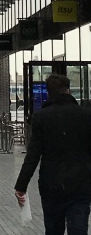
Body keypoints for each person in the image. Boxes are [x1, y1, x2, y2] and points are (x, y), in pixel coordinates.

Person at [14, 74, 91, 235]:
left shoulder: (41, 117)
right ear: (69, 90)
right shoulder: (86, 115)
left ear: (49, 93)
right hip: (81, 184)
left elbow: (33, 155)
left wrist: (21, 185)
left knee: (53, 230)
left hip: (51, 185)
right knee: (79, 229)